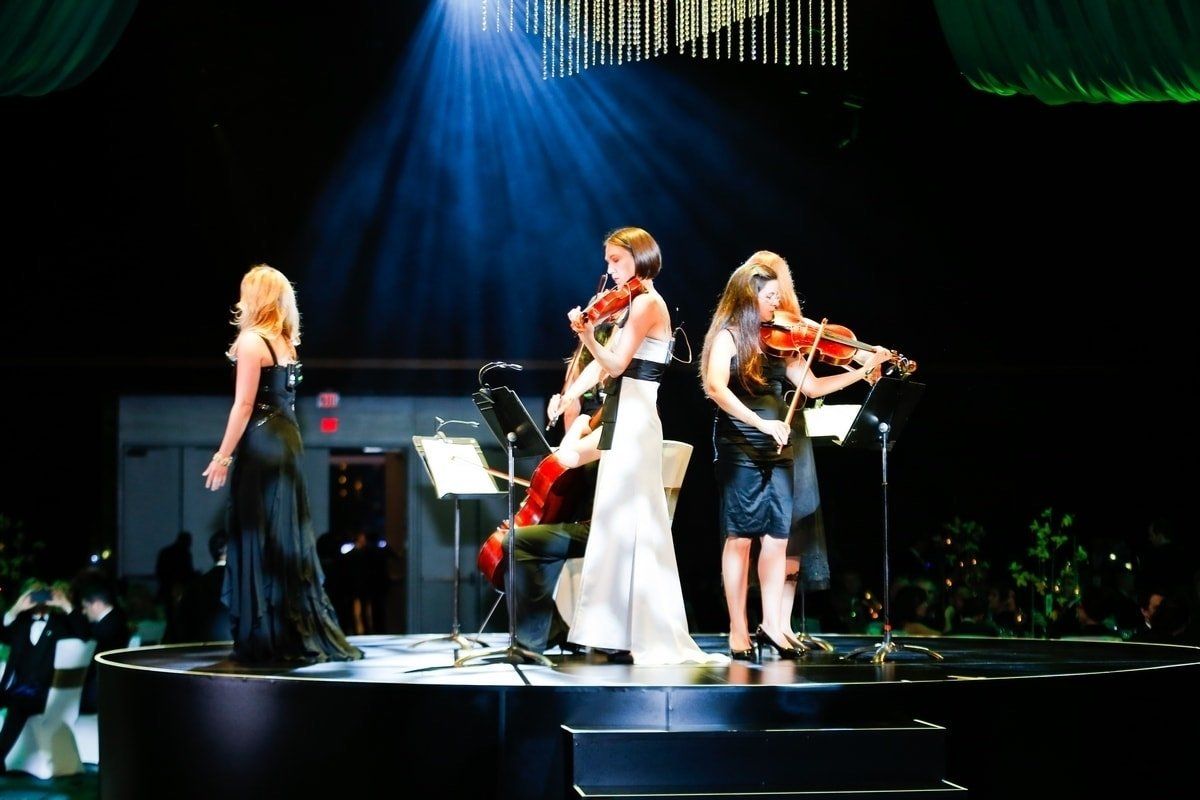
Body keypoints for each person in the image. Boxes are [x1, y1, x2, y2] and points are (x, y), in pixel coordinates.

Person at [548, 227, 723, 665]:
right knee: (615, 523)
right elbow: (602, 372)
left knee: (633, 525)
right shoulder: (628, 305)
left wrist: (587, 336)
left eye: (615, 260)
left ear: (639, 258)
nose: (608, 269)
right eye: (608, 260)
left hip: (636, 419)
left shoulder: (648, 303)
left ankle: (640, 630)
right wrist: (568, 395)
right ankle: (614, 631)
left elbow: (616, 362)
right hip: (623, 415)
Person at [700, 261, 890, 659]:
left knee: (776, 536)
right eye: (770, 298)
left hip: (779, 444)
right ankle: (738, 629)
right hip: (741, 444)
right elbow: (717, 389)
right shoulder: (729, 337)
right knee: (739, 537)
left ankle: (771, 624)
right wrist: (760, 423)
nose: (777, 305)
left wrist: (863, 370)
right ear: (749, 297)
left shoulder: (778, 342)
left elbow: (814, 384)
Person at [202, 264, 361, 664]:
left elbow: (243, 405)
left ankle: (266, 634)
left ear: (254, 296)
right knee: (284, 535)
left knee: (258, 532)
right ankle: (288, 627)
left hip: (261, 441)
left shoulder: (253, 341)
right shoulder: (287, 343)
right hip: (288, 439)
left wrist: (223, 455)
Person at [741, 250, 833, 648]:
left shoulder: (792, 327)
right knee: (767, 529)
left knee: (797, 529)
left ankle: (783, 624)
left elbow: (811, 377)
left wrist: (865, 363)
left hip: (793, 428)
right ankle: (766, 621)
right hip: (760, 429)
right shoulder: (745, 330)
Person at [0, 579, 85, 770]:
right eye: (33, 596)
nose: (38, 601)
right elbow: (2, 632)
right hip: (16, 689)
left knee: (19, 703)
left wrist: (64, 604)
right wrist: (15, 609)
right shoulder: (20, 624)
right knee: (17, 699)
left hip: (47, 693)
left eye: (42, 596)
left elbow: (84, 633)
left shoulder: (61, 624)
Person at [73, 576, 131, 714]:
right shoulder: (117, 618)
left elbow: (91, 645)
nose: (84, 611)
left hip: (102, 685)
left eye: (85, 607)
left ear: (97, 604)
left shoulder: (109, 625)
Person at [173, 530, 232, 643]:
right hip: (232, 650)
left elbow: (181, 627)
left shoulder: (194, 586)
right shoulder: (243, 586)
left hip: (198, 650)